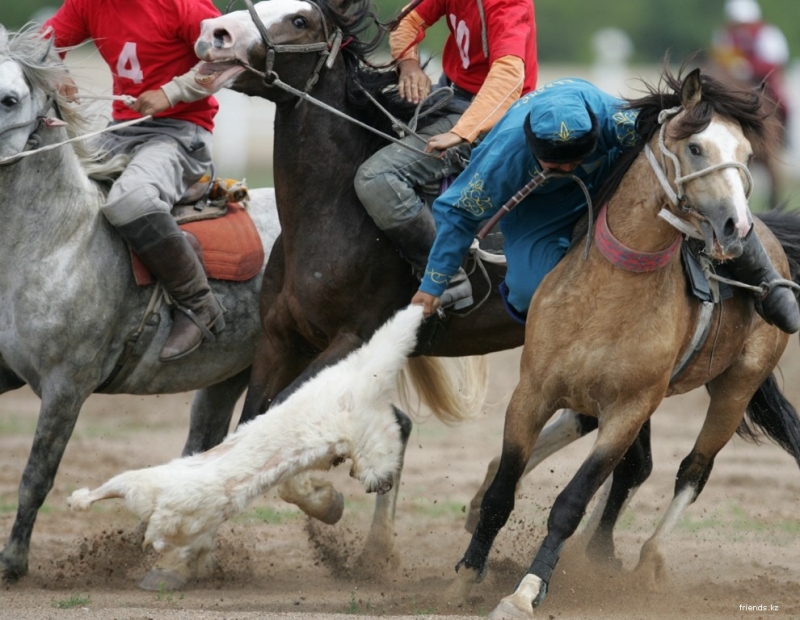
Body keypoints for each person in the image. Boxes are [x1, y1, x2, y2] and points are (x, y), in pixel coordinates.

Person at [410, 77, 800, 334]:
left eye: (572, 160)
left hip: (607, 185)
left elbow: (669, 133)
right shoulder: (503, 155)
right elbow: (458, 215)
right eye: (554, 163)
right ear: (530, 146)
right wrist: (431, 286)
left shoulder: (617, 121)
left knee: (696, 188)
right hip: (539, 211)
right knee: (529, 292)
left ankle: (767, 279)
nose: (564, 169)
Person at [43, 0, 225, 362]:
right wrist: (53, 73)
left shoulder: (181, 6)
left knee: (131, 201)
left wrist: (171, 93)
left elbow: (231, 54)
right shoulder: (86, 5)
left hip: (181, 133)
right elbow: (40, 45)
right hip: (120, 131)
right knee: (55, 190)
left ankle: (199, 304)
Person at [354, 0, 537, 310]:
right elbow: (406, 21)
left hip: (496, 114)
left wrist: (462, 131)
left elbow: (509, 76)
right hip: (450, 95)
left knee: (376, 178)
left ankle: (444, 274)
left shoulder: (508, 4)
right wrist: (409, 64)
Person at [711, 0, 790, 128]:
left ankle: (787, 135)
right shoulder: (725, 34)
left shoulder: (767, 34)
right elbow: (721, 57)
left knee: (783, 104)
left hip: (764, 82)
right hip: (732, 81)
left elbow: (775, 62)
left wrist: (750, 68)